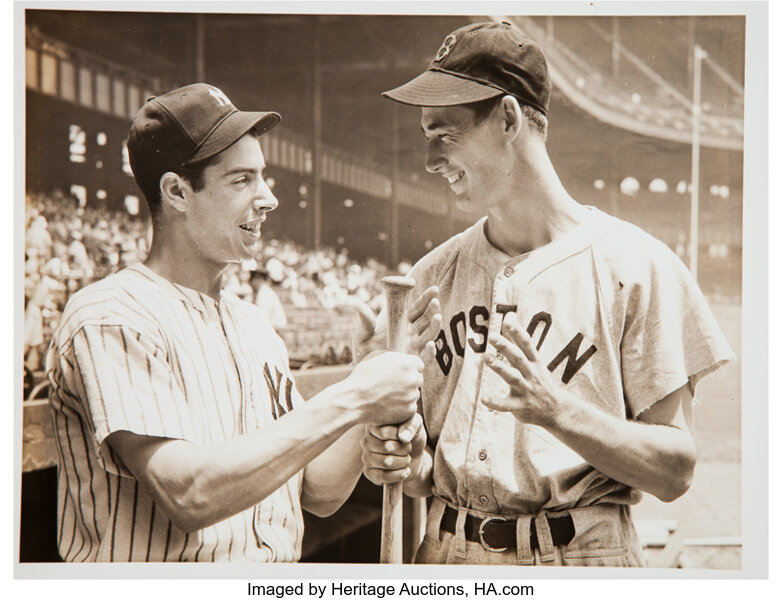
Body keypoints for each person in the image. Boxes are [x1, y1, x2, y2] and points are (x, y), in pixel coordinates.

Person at [359, 21, 735, 566]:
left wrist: (559, 411)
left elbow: (676, 470)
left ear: (509, 118)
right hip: (445, 556)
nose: (430, 161)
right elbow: (420, 476)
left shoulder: (637, 266)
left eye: (446, 134)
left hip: (581, 559)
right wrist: (404, 457)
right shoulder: (430, 277)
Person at [46, 83, 431, 562]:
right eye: (242, 180)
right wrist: (354, 395)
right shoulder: (111, 315)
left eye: (263, 177)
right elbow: (189, 494)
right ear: (177, 192)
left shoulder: (253, 326)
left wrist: (366, 393)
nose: (268, 198)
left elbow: (318, 491)